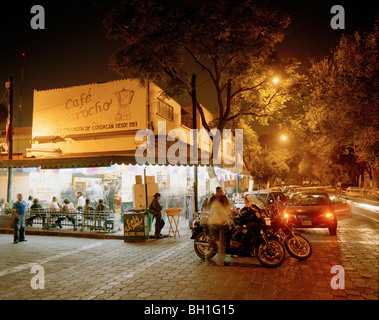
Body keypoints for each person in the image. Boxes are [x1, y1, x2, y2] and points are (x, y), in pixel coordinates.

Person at [208, 187, 231, 265]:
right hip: (216, 222)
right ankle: (220, 261)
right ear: (217, 192)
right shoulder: (214, 200)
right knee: (221, 241)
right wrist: (227, 214)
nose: (222, 193)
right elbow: (219, 210)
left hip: (221, 220)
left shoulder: (224, 198)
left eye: (222, 191)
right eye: (220, 191)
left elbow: (227, 206)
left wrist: (230, 211)